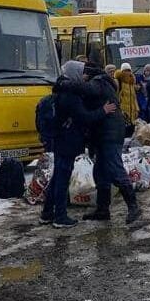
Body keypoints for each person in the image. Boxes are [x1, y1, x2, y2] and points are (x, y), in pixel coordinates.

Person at [42, 61, 115, 228]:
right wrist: (103, 111)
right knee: (62, 178)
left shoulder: (62, 89)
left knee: (57, 177)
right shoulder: (70, 94)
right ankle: (60, 216)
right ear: (74, 73)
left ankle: (47, 213)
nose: (84, 76)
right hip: (68, 140)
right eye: (81, 72)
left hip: (62, 138)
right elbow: (84, 116)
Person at [82, 66, 143, 225]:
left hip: (109, 135)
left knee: (115, 169)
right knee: (100, 171)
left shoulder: (98, 83)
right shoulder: (103, 84)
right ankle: (102, 209)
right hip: (104, 135)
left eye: (83, 75)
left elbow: (87, 93)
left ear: (88, 75)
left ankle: (133, 207)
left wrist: (66, 84)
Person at [115, 62, 140, 134]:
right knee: (123, 132)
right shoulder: (118, 82)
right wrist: (120, 110)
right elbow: (116, 97)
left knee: (130, 132)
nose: (128, 72)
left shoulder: (131, 82)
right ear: (122, 71)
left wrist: (137, 109)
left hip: (132, 112)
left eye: (129, 70)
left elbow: (134, 97)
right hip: (123, 112)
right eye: (125, 70)